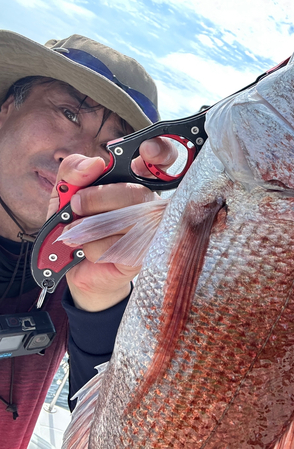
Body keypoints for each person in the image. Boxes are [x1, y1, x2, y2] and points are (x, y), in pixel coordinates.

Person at [0, 31, 177, 448]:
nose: (76, 156)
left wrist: (99, 299)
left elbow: (117, 431)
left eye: (109, 147)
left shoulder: (75, 276)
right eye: (68, 112)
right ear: (7, 108)